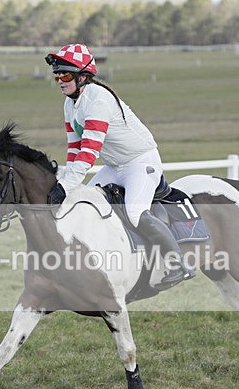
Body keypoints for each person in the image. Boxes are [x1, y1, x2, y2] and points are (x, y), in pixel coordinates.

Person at [44, 43, 195, 290]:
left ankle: (177, 264)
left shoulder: (99, 100)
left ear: (83, 76)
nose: (60, 80)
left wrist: (65, 186)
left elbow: (89, 152)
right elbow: (75, 150)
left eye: (66, 74)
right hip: (115, 165)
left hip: (140, 162)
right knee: (84, 204)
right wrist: (66, 186)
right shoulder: (69, 105)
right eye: (57, 75)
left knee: (135, 213)